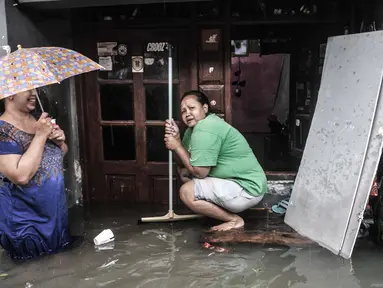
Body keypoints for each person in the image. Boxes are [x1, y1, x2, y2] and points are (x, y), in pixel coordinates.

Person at [164, 90, 267, 231]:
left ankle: (234, 220)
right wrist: (177, 140)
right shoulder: (193, 130)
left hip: (246, 188)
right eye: (183, 111)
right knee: (184, 173)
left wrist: (177, 145)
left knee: (187, 191)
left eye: (192, 108)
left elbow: (200, 173)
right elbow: (183, 162)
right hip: (236, 185)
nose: (187, 113)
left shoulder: (206, 127)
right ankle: (217, 213)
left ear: (205, 108)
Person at [0, 89, 71, 260]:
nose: (34, 93)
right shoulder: (3, 131)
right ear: (10, 94)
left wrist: (60, 143)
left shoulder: (40, 120)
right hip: (26, 224)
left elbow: (56, 156)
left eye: (35, 88)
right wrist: (40, 135)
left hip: (54, 217)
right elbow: (20, 176)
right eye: (28, 89)